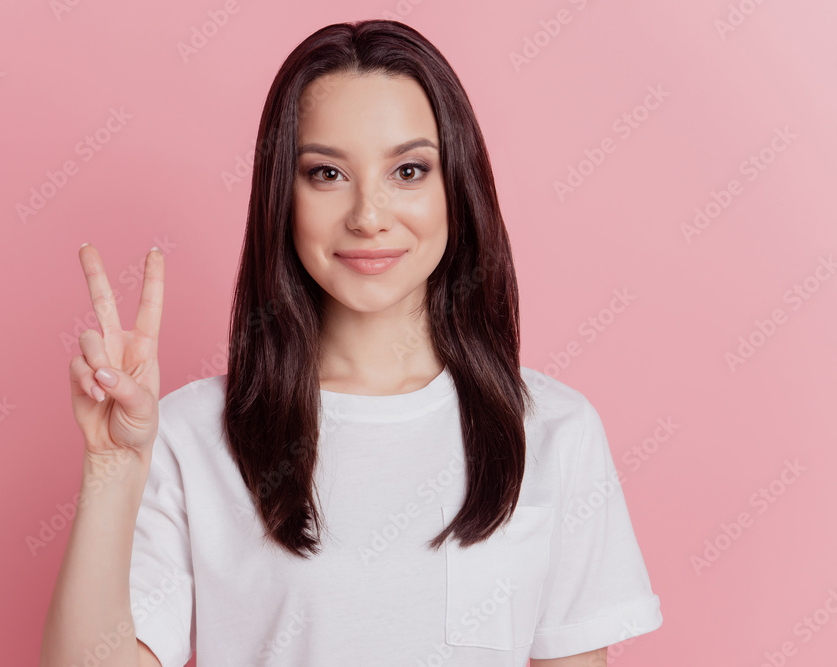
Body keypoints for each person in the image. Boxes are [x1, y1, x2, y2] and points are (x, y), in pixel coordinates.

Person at [40, 19, 662, 667]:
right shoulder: (189, 434)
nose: (368, 214)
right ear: (284, 194)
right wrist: (111, 471)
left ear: (458, 188)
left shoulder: (554, 431)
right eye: (328, 173)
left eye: (410, 170)